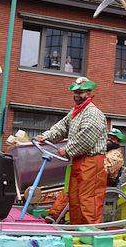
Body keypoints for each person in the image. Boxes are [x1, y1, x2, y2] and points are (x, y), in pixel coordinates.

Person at [36, 77, 108, 224]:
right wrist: (46, 136)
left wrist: (67, 150)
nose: (77, 95)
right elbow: (62, 127)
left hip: (92, 161)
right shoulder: (76, 112)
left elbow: (86, 138)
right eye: (75, 92)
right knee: (74, 198)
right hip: (78, 160)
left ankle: (90, 233)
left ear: (89, 93)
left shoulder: (93, 113)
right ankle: (77, 232)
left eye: (80, 92)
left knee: (89, 199)